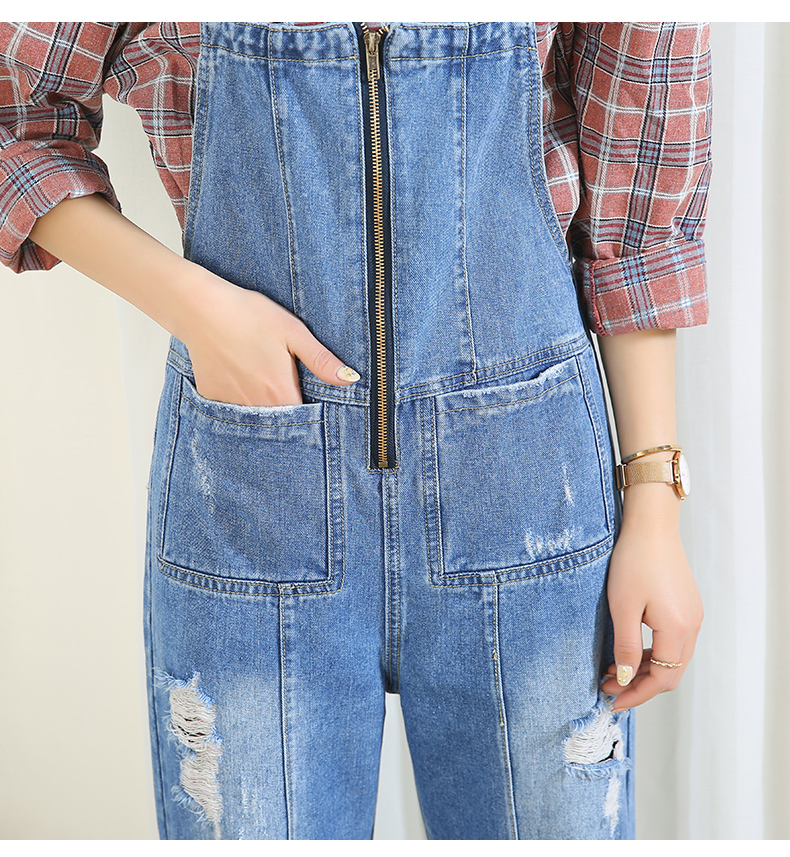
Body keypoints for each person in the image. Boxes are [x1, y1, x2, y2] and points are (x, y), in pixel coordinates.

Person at [0, 22, 709, 840]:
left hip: (528, 493)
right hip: (252, 490)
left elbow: (640, 213)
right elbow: (17, 120)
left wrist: (655, 504)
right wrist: (200, 311)